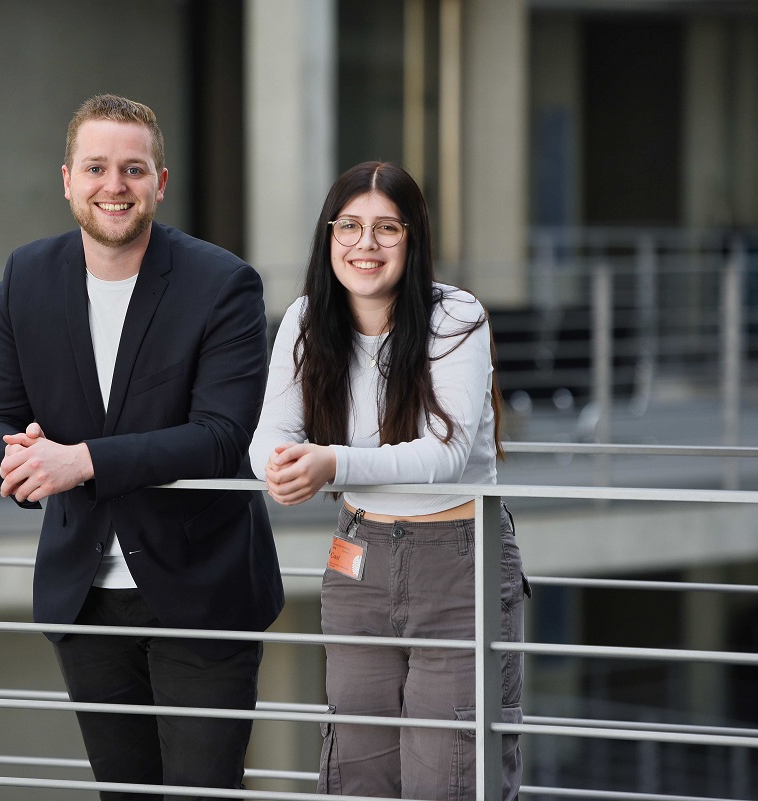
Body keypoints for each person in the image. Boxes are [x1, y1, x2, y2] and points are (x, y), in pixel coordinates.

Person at [0, 94, 284, 801]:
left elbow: (222, 437)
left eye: (134, 169)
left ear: (160, 183)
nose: (115, 185)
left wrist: (81, 461)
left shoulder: (222, 283)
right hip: (86, 600)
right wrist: (14, 455)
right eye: (98, 167)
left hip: (203, 592)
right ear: (68, 179)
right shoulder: (27, 275)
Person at [249, 161, 527, 799]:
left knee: (450, 774)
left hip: (460, 564)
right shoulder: (307, 319)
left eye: (386, 229)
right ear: (328, 236)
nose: (364, 245)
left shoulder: (457, 316)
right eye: (348, 226)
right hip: (358, 560)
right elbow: (272, 432)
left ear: (414, 238)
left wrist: (332, 464)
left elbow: (444, 455)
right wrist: (280, 467)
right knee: (358, 771)